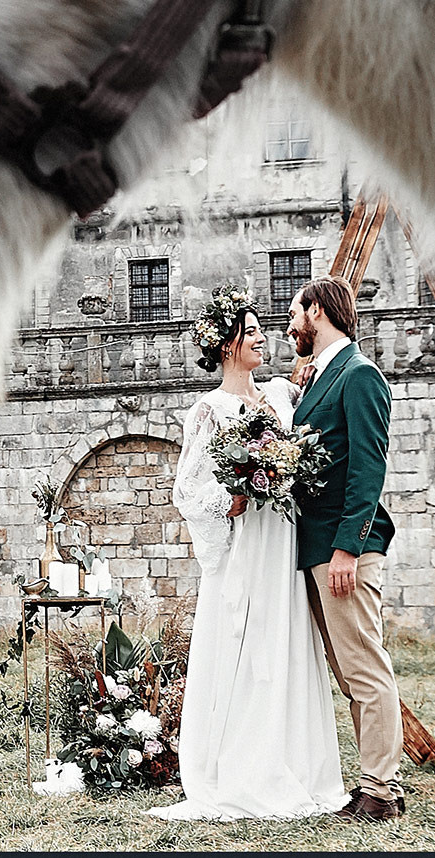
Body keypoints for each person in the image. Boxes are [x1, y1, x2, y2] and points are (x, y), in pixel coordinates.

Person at [146, 288, 350, 822]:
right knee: (243, 642)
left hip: (281, 542)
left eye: (263, 327)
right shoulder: (208, 410)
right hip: (244, 545)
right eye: (251, 329)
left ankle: (291, 761)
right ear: (226, 343)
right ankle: (240, 766)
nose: (262, 336)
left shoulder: (284, 393)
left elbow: (307, 414)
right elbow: (188, 490)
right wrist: (234, 499)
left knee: (283, 640)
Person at [289, 274, 405, 821]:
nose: (290, 326)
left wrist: (347, 550)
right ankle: (371, 782)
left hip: (343, 546)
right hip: (314, 546)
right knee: (347, 668)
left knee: (363, 664)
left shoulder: (360, 375)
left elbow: (367, 468)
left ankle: (382, 789)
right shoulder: (319, 378)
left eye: (295, 313)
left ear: (316, 310)